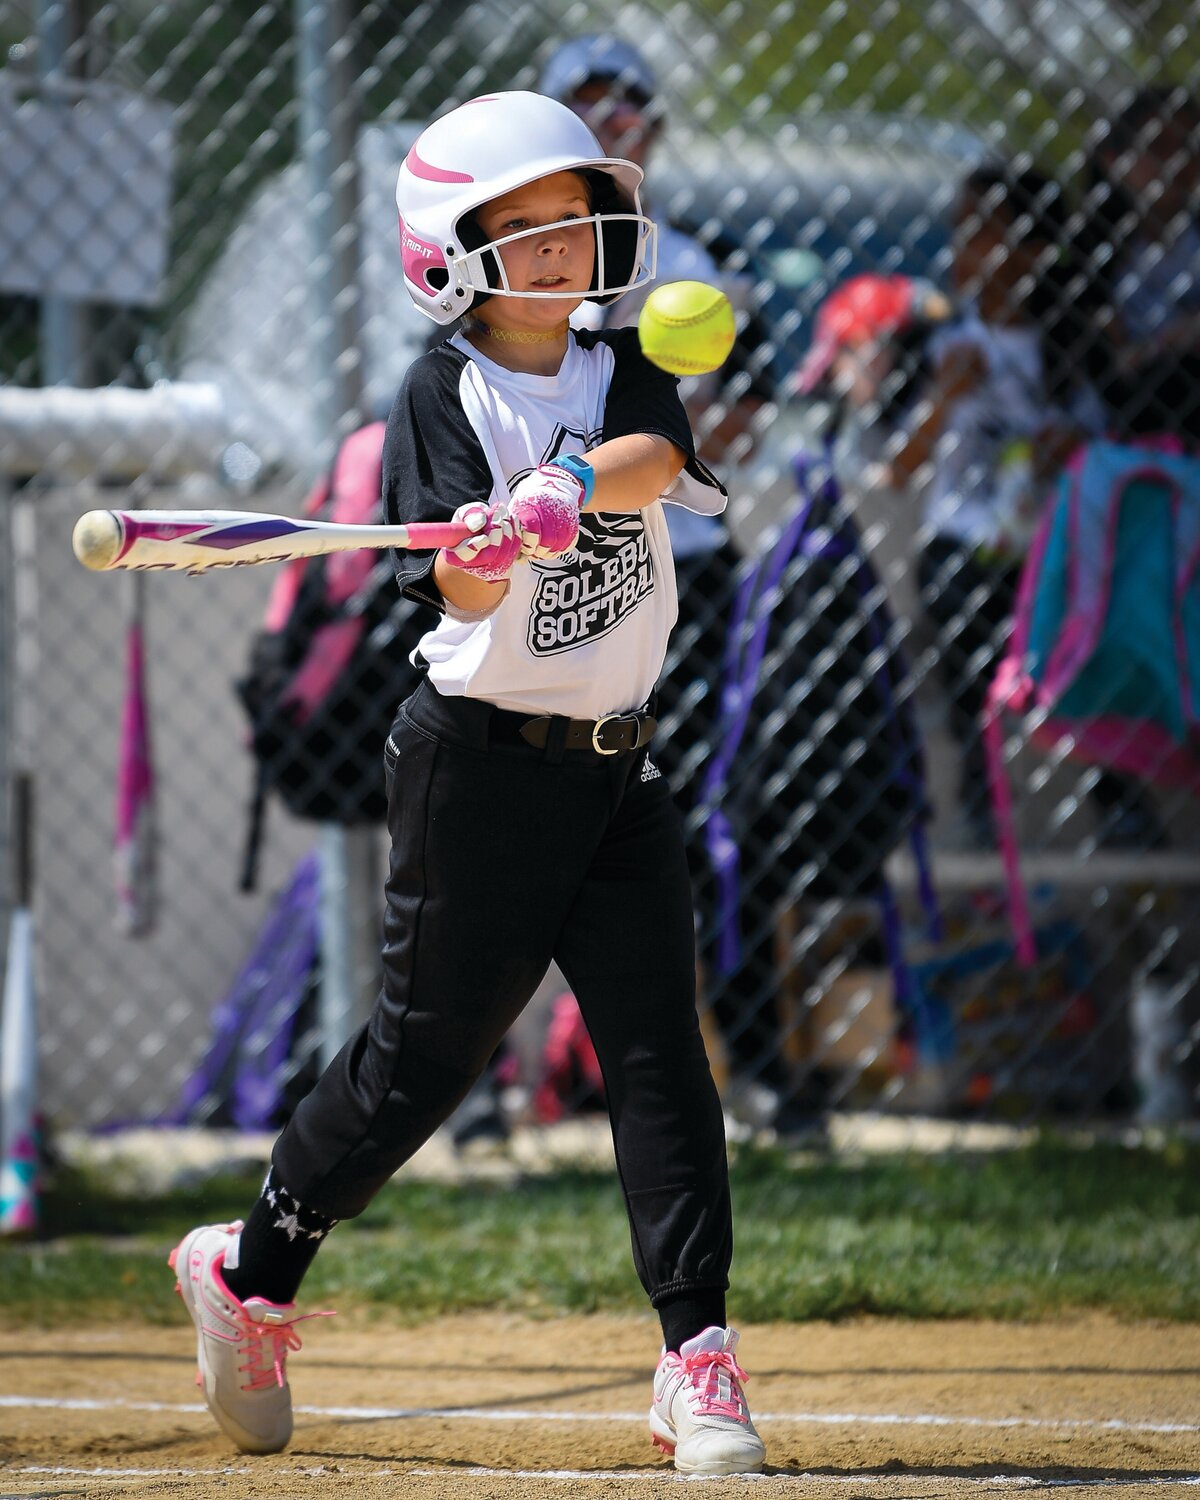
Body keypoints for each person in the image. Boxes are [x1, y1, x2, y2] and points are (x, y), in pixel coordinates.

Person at [168, 89, 765, 1478]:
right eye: (527, 224)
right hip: (478, 768)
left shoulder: (618, 371)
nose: (562, 245)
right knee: (418, 1066)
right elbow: (449, 575)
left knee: (660, 1057)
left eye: (575, 217)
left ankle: (696, 1353)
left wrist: (561, 483)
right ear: (455, 246)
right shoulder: (444, 390)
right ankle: (249, 1272)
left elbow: (655, 460)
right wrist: (492, 544)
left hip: (619, 773)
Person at [539, 36, 805, 1135]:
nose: (612, 126)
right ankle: (531, 1076)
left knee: (709, 822)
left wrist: (669, 439)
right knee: (541, 827)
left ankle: (759, 1068)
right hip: (556, 584)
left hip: (683, 580)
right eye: (586, 109)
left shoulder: (698, 262)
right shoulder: (529, 266)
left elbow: (746, 409)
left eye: (627, 110)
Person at [888, 160, 1158, 850]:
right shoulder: (938, 338)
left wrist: (1072, 450)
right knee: (958, 596)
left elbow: (1123, 446)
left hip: (1062, 538)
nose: (962, 248)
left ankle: (1119, 797)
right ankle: (978, 802)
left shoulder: (1079, 343)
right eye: (960, 229)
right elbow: (896, 469)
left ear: (1035, 250)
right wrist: (944, 399)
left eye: (984, 231)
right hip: (967, 541)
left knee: (1103, 606)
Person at [1081, 85, 1200, 443]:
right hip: (1130, 426)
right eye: (1159, 147)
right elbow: (1116, 365)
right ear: (1114, 159)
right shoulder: (1091, 256)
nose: (1178, 161)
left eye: (1190, 145)